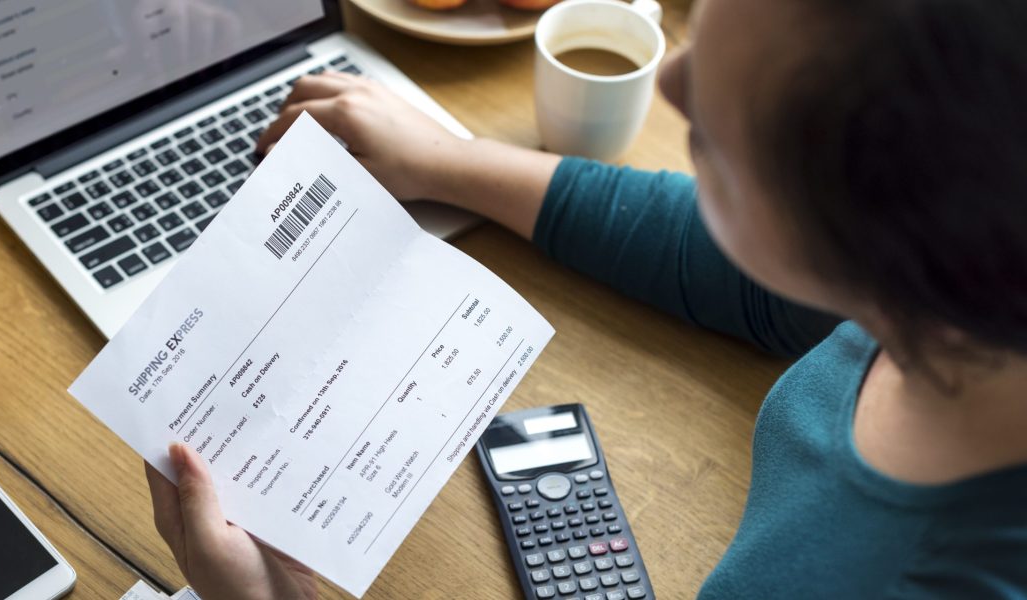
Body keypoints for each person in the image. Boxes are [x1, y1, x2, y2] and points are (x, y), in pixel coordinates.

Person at [144, 0, 1027, 596]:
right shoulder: (962, 287)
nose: (675, 84)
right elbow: (744, 265)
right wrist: (446, 161)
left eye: (727, 124)